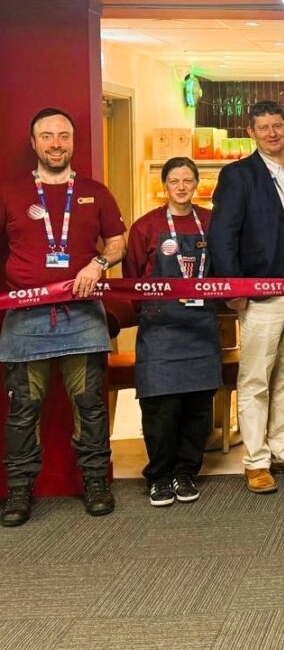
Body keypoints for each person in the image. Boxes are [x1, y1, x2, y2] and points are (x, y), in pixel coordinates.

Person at [0, 108, 126, 526]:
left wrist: (98, 265)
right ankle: (19, 492)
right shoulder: (11, 191)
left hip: (82, 316)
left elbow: (117, 243)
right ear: (34, 142)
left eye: (64, 136)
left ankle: (95, 482)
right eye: (47, 136)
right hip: (24, 318)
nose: (57, 143)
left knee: (90, 405)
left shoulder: (96, 191)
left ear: (73, 142)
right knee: (23, 410)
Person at [209, 100, 284, 494]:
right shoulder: (238, 175)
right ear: (252, 133)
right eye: (264, 128)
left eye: (278, 125)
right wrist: (234, 289)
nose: (273, 133)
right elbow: (222, 235)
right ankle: (256, 460)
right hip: (261, 291)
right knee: (256, 378)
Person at [123, 157, 220, 507]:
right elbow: (132, 277)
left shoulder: (211, 222)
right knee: (161, 408)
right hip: (161, 330)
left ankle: (185, 472)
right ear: (165, 185)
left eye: (187, 181)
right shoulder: (145, 227)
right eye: (174, 181)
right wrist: (150, 310)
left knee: (197, 406)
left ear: (197, 184)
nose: (181, 187)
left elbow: (222, 269)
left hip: (201, 328)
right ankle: (160, 476)